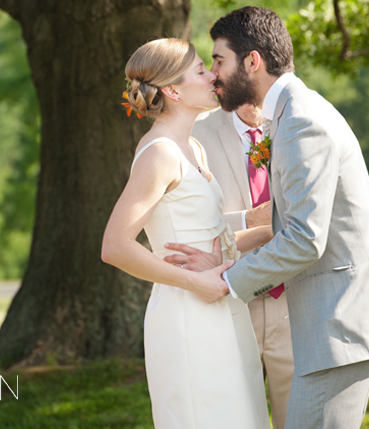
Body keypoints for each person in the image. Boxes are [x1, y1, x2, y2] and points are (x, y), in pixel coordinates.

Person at [190, 6, 369, 429]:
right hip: (333, 314)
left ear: (252, 61)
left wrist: (225, 282)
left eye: (219, 60)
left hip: (343, 317)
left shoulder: (300, 121)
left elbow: (303, 239)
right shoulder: (292, 112)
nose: (214, 73)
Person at [101, 38, 270, 429]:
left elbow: (210, 242)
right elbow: (115, 245)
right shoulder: (159, 153)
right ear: (173, 91)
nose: (213, 75)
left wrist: (265, 229)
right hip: (188, 315)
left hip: (223, 305)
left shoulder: (192, 146)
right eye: (200, 70)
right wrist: (193, 283)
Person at [165, 103, 295, 429]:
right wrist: (248, 220)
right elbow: (185, 223)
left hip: (294, 301)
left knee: (298, 417)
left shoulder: (297, 125)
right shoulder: (194, 133)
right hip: (228, 299)